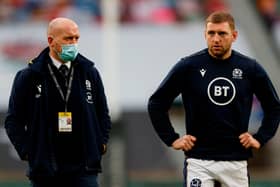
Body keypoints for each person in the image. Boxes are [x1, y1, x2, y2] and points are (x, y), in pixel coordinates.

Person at [148, 11, 280, 187]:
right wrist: (172, 138)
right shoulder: (189, 66)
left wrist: (261, 137)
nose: (216, 39)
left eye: (222, 33)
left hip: (236, 162)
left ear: (234, 36)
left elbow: (273, 107)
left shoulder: (250, 68)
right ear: (205, 35)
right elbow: (157, 103)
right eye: (211, 33)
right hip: (199, 161)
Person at [5, 17, 112, 187]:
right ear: (51, 41)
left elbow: (103, 115)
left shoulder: (89, 73)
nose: (74, 43)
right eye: (68, 38)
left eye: (77, 38)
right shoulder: (29, 76)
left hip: (84, 170)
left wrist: (101, 145)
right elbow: (13, 120)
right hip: (46, 172)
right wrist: (28, 152)